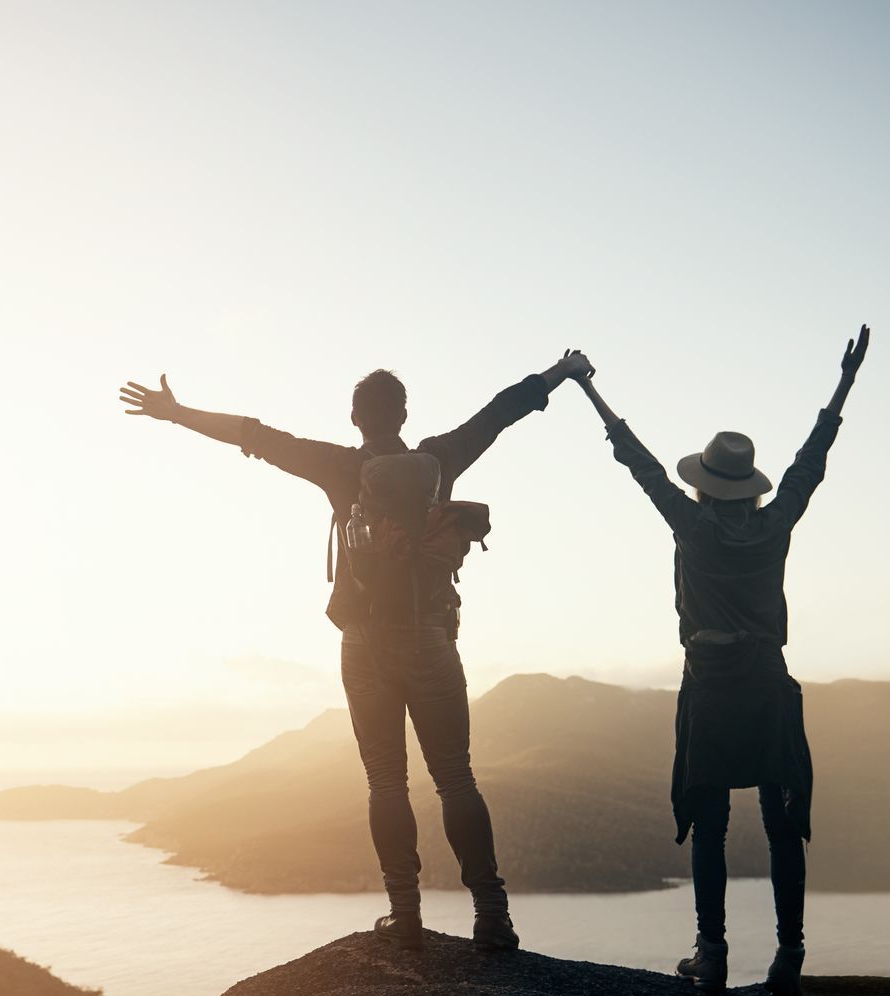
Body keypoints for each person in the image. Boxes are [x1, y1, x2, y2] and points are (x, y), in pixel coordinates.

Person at [117, 352, 593, 951]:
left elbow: (252, 435)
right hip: (431, 638)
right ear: (403, 415)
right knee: (456, 779)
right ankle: (492, 915)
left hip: (363, 645)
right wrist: (561, 372)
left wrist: (177, 413)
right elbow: (501, 411)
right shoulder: (440, 459)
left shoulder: (340, 467)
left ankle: (406, 914)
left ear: (354, 418)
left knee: (386, 782)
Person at [568, 326, 870, 996]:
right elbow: (809, 464)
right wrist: (844, 383)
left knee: (711, 822)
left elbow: (638, 461)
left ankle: (712, 952)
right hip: (767, 686)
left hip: (710, 689)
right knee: (780, 821)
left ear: (706, 486)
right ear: (751, 487)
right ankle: (789, 957)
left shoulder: (691, 525)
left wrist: (588, 387)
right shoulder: (774, 525)